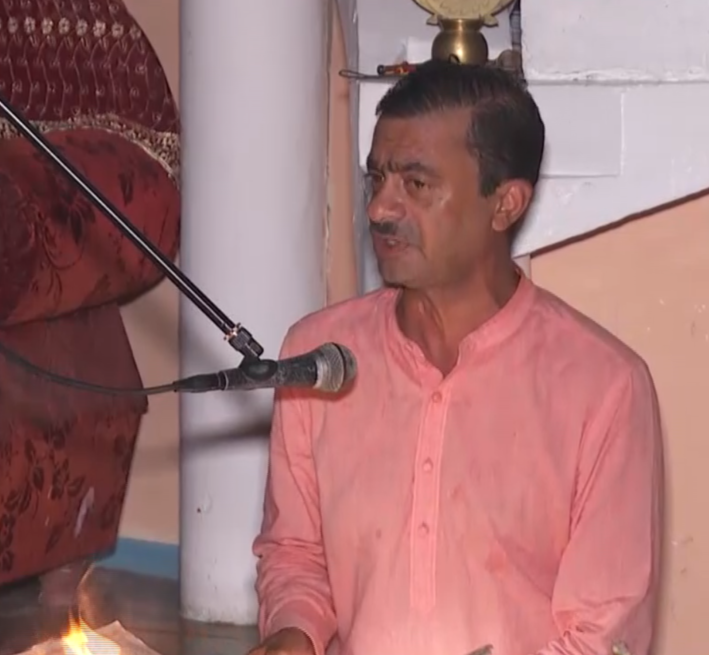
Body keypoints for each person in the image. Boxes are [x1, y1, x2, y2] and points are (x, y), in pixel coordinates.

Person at [247, 61, 664, 655]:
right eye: (376, 179)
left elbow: (602, 633)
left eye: (416, 185)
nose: (380, 209)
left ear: (505, 204)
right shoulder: (321, 356)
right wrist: (295, 633)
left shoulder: (604, 387)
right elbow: (295, 554)